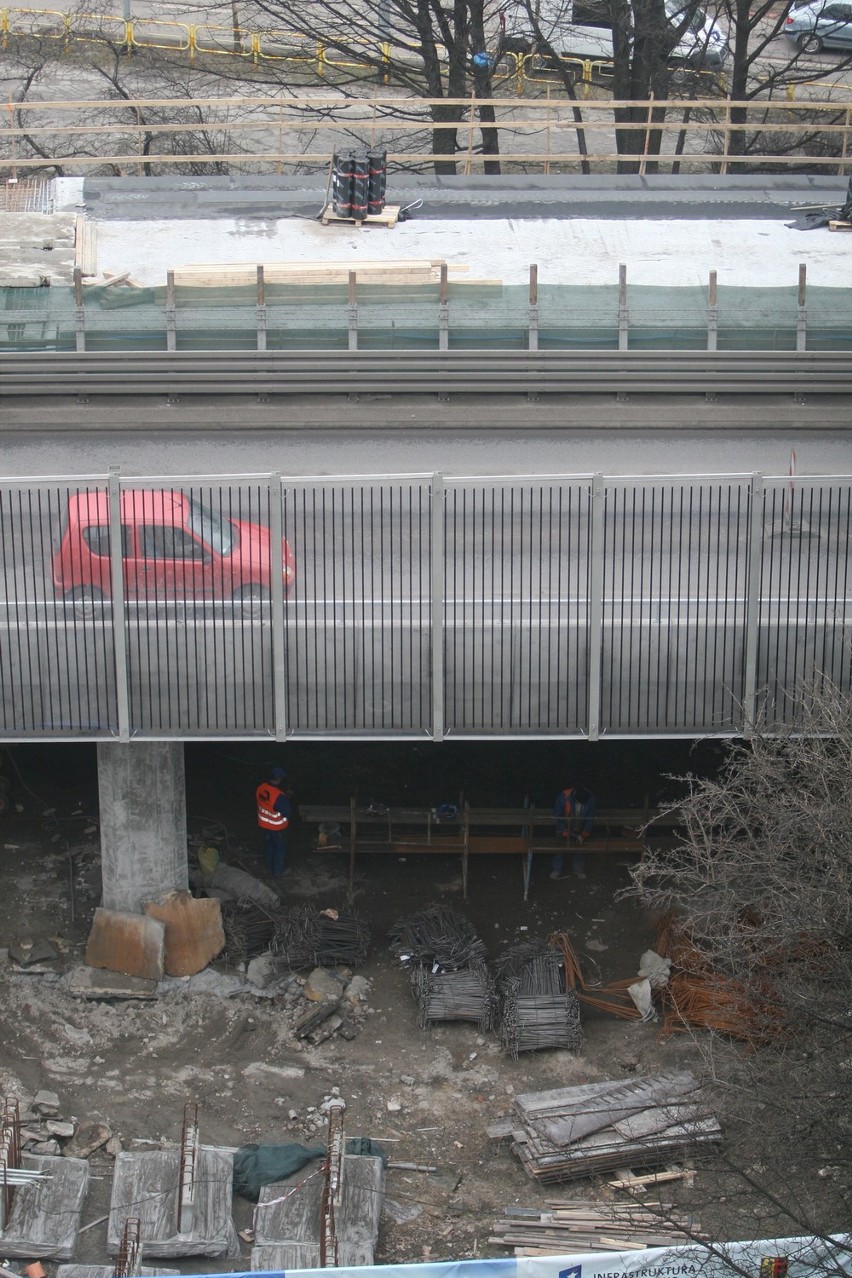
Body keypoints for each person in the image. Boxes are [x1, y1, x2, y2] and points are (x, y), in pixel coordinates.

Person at [551, 784, 596, 880]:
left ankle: (578, 869)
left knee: (579, 849)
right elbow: (558, 816)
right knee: (560, 848)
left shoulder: (590, 798)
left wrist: (584, 833)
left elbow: (590, 818)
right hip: (565, 825)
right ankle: (557, 869)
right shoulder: (563, 797)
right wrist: (563, 830)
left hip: (580, 826)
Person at [256, 766, 292, 878]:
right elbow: (287, 812)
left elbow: (267, 802)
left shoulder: (261, 788)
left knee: (269, 846)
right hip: (277, 828)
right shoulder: (279, 797)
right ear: (278, 779)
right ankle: (277, 872)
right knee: (279, 849)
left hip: (263, 825)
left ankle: (269, 867)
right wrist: (287, 799)